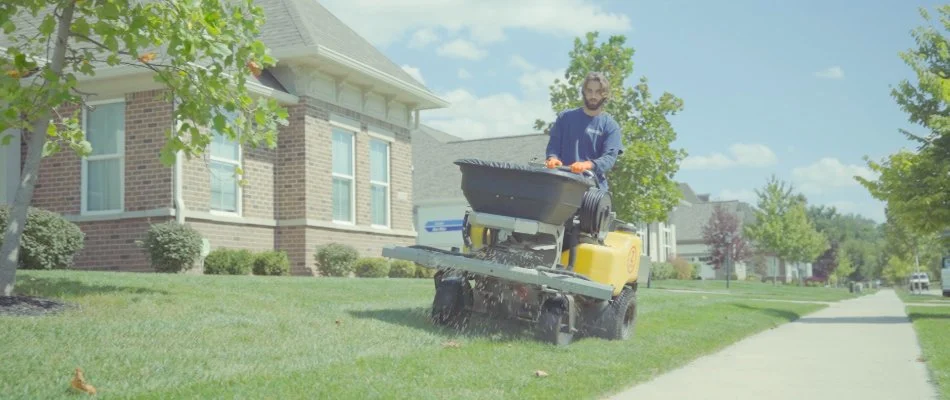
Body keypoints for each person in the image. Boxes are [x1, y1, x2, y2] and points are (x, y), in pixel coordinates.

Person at [544, 71, 624, 190]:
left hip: (593, 189)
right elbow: (553, 146)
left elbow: (609, 158)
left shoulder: (611, 126)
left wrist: (587, 165)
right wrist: (552, 158)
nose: (593, 96)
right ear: (583, 92)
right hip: (561, 185)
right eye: (590, 91)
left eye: (598, 92)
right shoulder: (565, 118)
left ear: (604, 95)